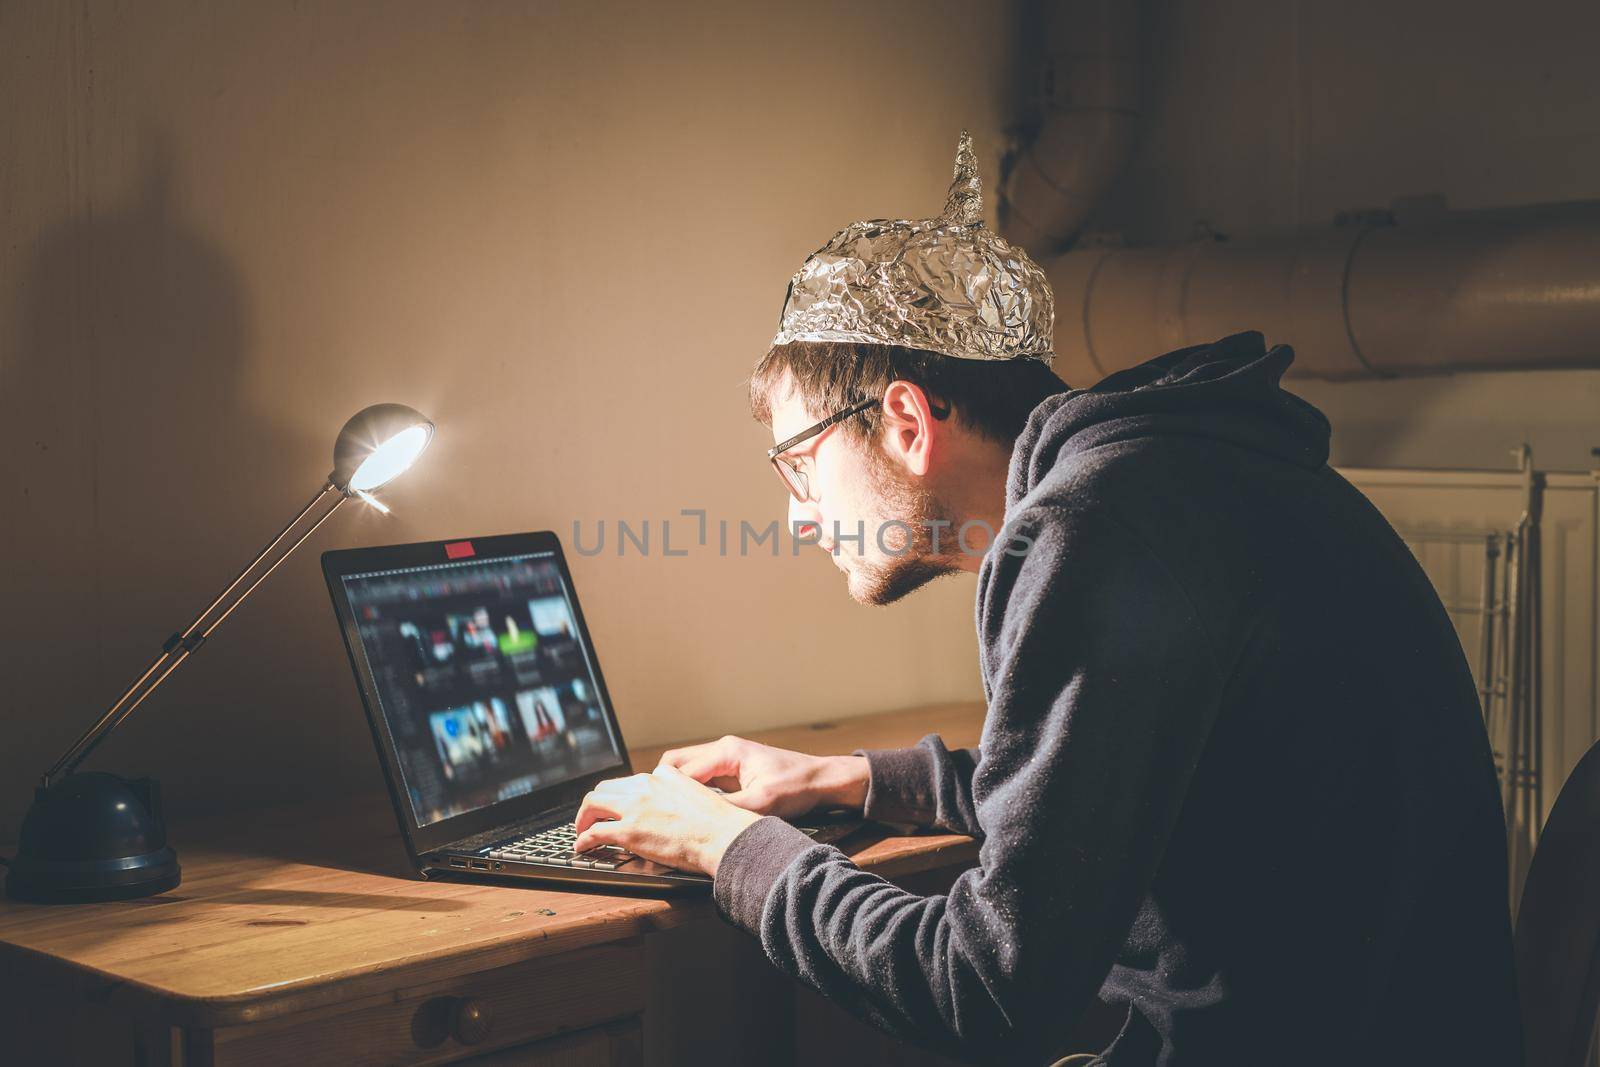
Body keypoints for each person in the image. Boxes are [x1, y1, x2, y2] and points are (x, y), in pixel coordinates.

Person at [573, 133, 1523, 1065]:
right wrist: (851, 779)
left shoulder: (1091, 533)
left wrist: (734, 848)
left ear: (905, 419)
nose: (800, 518)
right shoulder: (1175, 479)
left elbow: (983, 990)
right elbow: (1097, 784)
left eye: (801, 466)